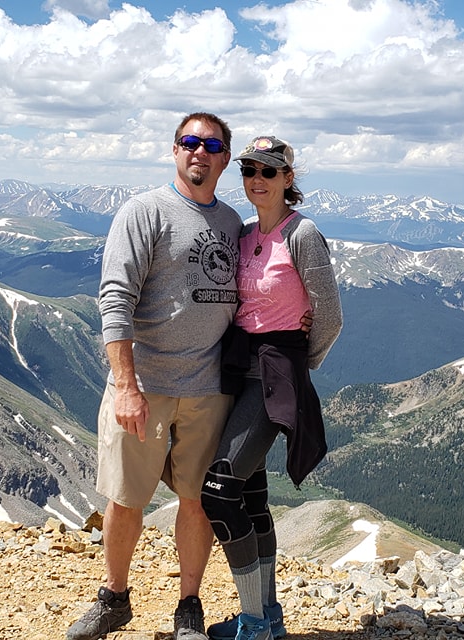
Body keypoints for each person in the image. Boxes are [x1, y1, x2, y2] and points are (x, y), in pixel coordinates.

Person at [66, 113, 242, 640]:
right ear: (174, 150)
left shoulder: (233, 223)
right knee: (126, 497)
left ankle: (189, 604)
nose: (199, 152)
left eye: (211, 145)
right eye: (190, 142)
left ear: (225, 158)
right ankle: (115, 596)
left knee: (197, 499)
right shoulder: (145, 212)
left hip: (208, 390)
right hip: (144, 385)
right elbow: (114, 297)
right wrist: (125, 384)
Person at [200, 136, 343, 640]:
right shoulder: (241, 234)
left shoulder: (303, 235)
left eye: (267, 171)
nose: (255, 179)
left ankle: (255, 622)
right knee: (252, 499)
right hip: (241, 371)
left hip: (273, 375)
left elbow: (330, 315)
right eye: (248, 170)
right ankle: (267, 617)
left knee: (218, 493)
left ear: (288, 179)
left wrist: (299, 366)